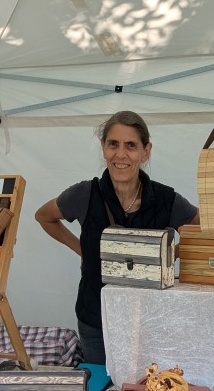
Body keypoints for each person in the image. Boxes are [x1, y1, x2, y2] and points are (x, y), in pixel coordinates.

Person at [35, 110, 200, 364]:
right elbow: (44, 216)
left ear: (146, 152)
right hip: (96, 322)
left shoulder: (167, 200)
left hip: (151, 324)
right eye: (113, 144)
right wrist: (82, 250)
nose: (120, 154)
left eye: (131, 146)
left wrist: (170, 254)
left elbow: (204, 230)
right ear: (103, 148)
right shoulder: (84, 195)